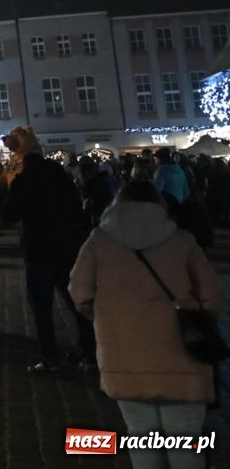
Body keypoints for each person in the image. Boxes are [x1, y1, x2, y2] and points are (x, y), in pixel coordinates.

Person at [72, 180, 222, 467]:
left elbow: (80, 294)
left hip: (124, 358)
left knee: (141, 437)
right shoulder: (181, 240)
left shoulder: (98, 241)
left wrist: (107, 317)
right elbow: (213, 296)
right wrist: (197, 317)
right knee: (185, 444)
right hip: (183, 358)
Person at [5, 140, 95, 374]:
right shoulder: (58, 174)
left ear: (22, 157)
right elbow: (76, 207)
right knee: (75, 301)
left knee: (41, 307)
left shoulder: (22, 179)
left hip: (37, 249)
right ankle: (90, 353)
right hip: (65, 246)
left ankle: (50, 357)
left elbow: (11, 212)